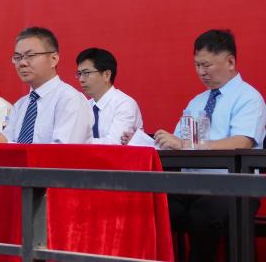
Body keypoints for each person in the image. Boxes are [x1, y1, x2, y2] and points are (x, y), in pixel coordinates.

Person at [150, 30, 266, 261]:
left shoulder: (249, 98)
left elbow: (241, 142)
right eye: (197, 65)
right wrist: (156, 140)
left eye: (207, 65)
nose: (201, 72)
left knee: (202, 216)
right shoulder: (197, 101)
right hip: (192, 185)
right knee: (154, 208)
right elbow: (177, 142)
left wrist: (186, 145)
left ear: (230, 62)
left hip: (232, 185)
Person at [0, 27, 91, 144]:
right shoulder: (20, 105)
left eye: (30, 55)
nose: (22, 63)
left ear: (54, 59)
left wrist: (7, 145)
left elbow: (63, 152)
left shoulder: (70, 99)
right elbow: (7, 141)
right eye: (17, 57)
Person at [74, 48, 143, 145]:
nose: (81, 79)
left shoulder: (124, 104)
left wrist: (74, 142)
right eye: (79, 74)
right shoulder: (84, 106)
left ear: (106, 75)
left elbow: (114, 144)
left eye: (86, 73)